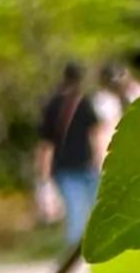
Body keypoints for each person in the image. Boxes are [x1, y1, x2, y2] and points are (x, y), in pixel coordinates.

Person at [35, 63, 100, 245]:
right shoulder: (85, 102)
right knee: (96, 207)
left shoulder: (52, 106)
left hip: (64, 165)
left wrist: (44, 175)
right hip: (86, 162)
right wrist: (98, 159)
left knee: (75, 209)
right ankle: (93, 246)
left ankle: (75, 250)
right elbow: (94, 134)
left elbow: (46, 144)